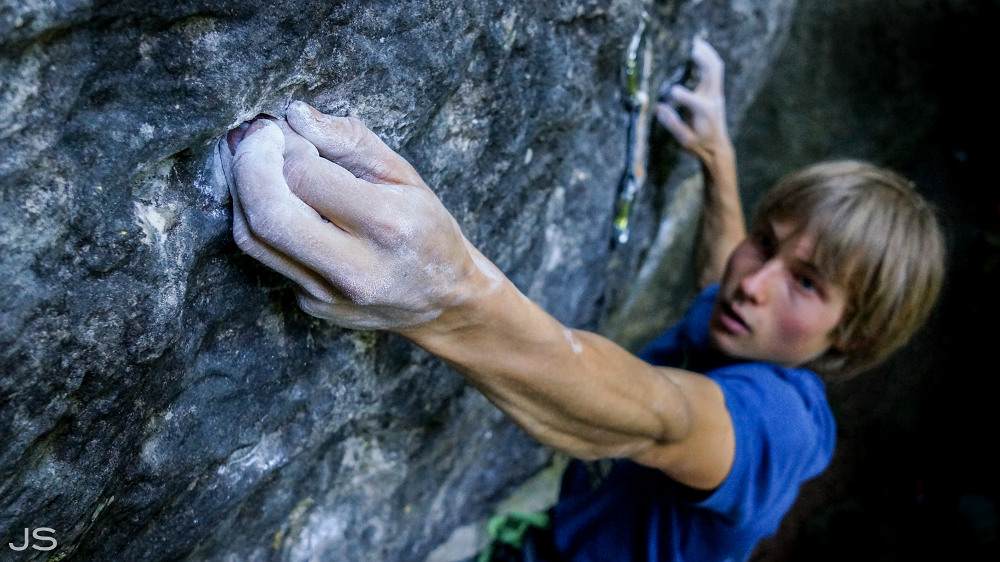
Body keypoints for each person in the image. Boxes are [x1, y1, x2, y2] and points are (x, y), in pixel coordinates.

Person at [220, 38, 944, 561]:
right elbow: (719, 274)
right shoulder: (741, 318)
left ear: (852, 338)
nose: (753, 282)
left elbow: (658, 420)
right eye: (766, 241)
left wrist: (448, 296)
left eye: (807, 284)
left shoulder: (780, 427)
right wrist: (717, 162)